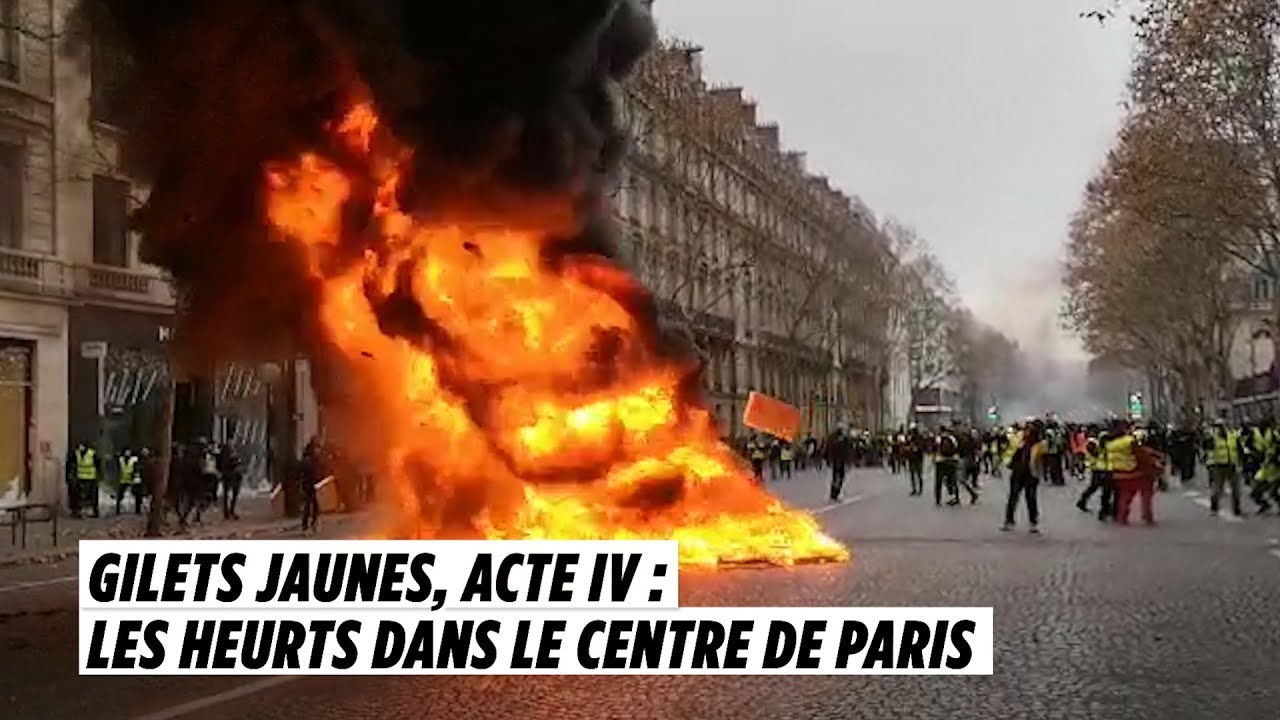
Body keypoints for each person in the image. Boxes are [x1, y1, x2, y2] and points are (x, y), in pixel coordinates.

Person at [1003, 420, 1046, 533]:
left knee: (1031, 498)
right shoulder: (1019, 439)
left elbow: (1042, 460)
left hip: (1031, 474)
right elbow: (1011, 446)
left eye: (1031, 429)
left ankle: (1033, 522)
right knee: (1013, 497)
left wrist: (1040, 474)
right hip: (1017, 472)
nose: (1028, 431)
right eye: (1027, 428)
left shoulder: (1040, 444)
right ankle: (1009, 520)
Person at [1204, 419, 1242, 517]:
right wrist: (1210, 464)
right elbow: (1208, 450)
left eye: (1221, 426)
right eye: (1217, 427)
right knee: (1217, 489)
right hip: (1219, 466)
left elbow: (1239, 449)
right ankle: (1214, 508)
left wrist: (1240, 463)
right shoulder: (1213, 438)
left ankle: (1237, 509)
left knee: (1236, 489)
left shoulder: (1233, 436)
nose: (1220, 429)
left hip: (1232, 465)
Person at [114, 447, 145, 515]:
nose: (127, 453)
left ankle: (138, 510)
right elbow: (117, 467)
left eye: (128, 451)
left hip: (133, 479)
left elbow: (138, 467)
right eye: (126, 452)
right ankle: (117, 509)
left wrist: (135, 475)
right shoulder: (121, 459)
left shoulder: (134, 459)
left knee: (137, 495)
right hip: (124, 479)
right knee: (120, 495)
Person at [826, 426, 853, 503]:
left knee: (837, 478)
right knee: (837, 478)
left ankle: (834, 495)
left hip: (839, 462)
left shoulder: (842, 439)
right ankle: (834, 495)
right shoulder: (838, 439)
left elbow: (848, 451)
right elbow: (829, 450)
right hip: (838, 462)